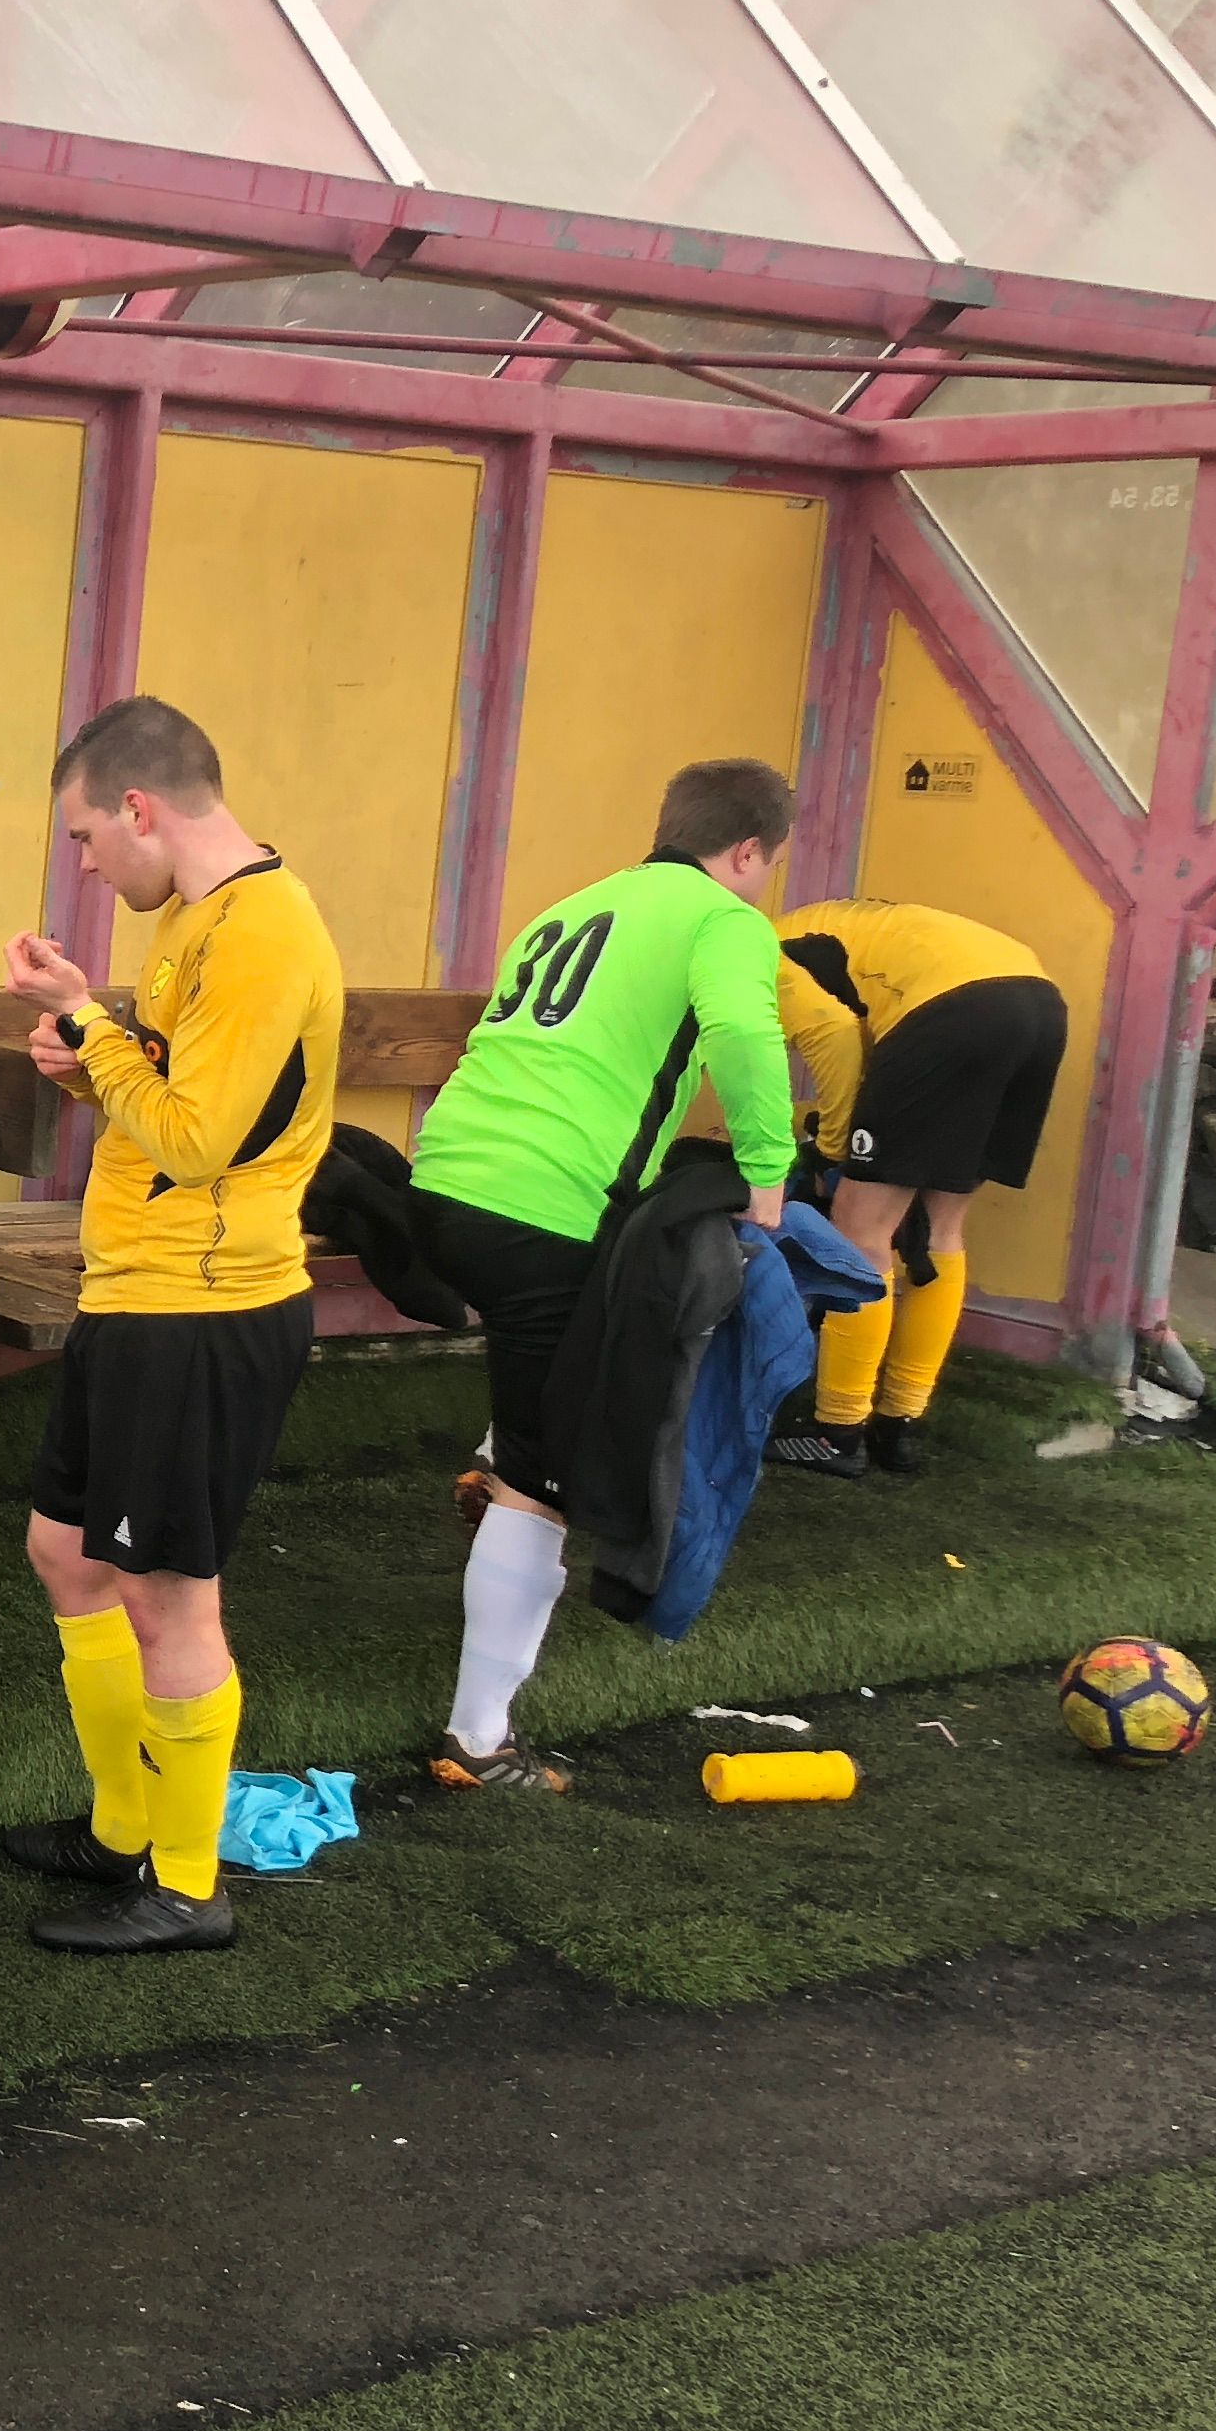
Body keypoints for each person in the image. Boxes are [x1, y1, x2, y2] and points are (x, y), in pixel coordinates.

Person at [0, 697, 344, 1955]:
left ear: (139, 808)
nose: (87, 865)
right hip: (136, 1294)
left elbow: (195, 1141)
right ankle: (122, 1827)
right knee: (65, 1553)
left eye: (86, 837)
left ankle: (188, 1887)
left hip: (205, 1309)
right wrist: (91, 1033)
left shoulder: (262, 932)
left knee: (166, 1599)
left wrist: (95, 1033)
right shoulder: (199, 919)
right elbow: (180, 1091)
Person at [408, 759, 797, 1793]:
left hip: (440, 1181)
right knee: (543, 1488)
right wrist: (768, 1170)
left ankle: (500, 1455)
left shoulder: (577, 903)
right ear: (749, 851)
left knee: (552, 1380)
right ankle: (478, 1742)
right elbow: (743, 1031)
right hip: (539, 1213)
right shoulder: (726, 918)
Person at [767, 899, 1066, 1476]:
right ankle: (899, 1423)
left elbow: (834, 1038)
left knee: (859, 1230)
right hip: (1036, 1003)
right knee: (940, 1230)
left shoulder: (758, 955)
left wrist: (832, 1150)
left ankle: (838, 1432)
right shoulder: (819, 928)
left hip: (952, 1011)